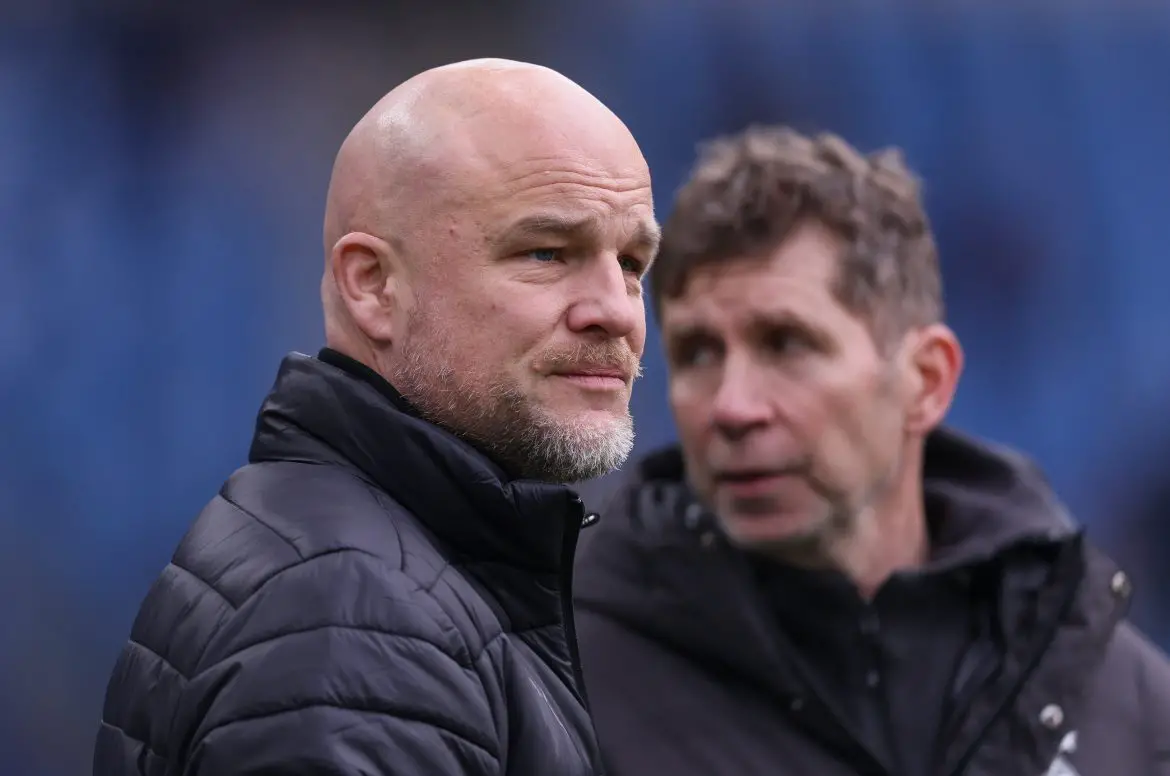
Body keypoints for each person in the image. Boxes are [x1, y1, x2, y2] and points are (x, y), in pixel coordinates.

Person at [94, 58, 658, 776]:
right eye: (546, 252)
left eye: (632, 262)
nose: (616, 311)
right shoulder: (353, 621)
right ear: (372, 286)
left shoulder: (384, 581)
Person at [573, 126, 1170, 776]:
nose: (733, 406)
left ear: (926, 380)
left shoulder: (1120, 702)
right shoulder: (567, 686)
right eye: (697, 353)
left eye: (786, 344)